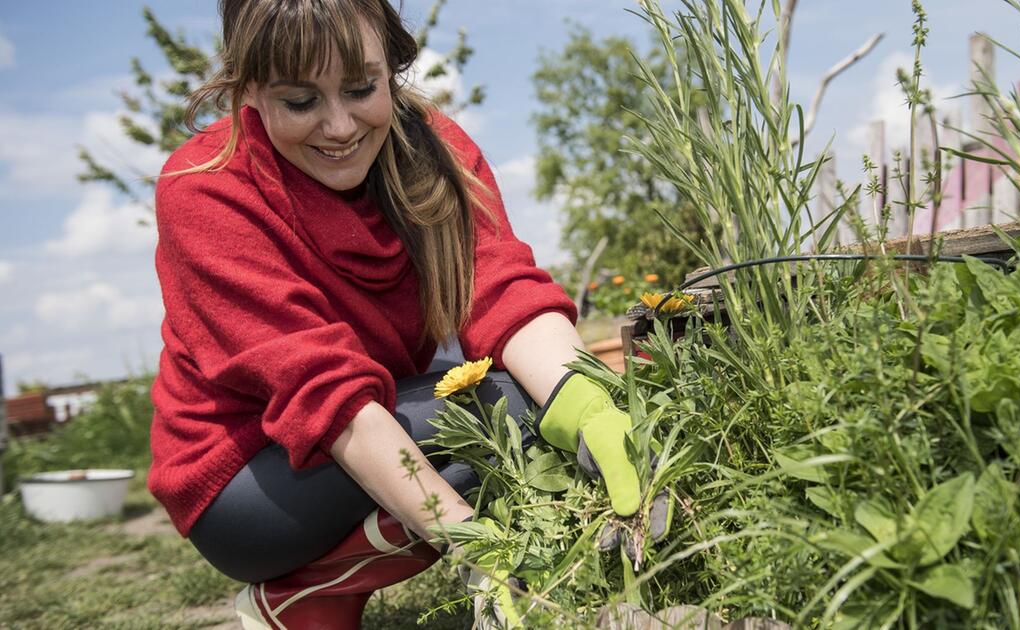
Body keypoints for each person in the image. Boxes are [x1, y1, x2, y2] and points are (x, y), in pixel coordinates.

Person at [148, 0, 659, 627]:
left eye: (362, 88)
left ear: (392, 67)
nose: (339, 126)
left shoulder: (433, 151)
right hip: (249, 488)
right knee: (506, 411)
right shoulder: (207, 188)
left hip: (361, 424)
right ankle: (324, 577)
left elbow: (498, 285)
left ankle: (304, 599)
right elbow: (323, 393)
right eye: (300, 102)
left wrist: (590, 402)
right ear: (249, 87)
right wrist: (471, 539)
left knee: (540, 393)